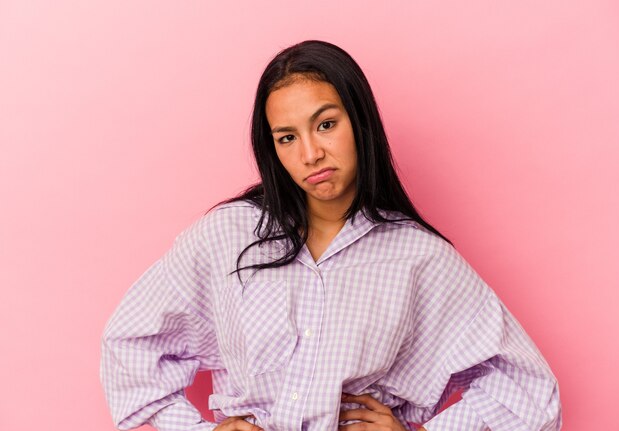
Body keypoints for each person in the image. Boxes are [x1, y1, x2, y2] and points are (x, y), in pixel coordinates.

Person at [100, 40, 562, 431]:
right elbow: (131, 344)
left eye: (325, 124)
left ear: (358, 122)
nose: (310, 153)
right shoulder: (228, 235)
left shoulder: (419, 257)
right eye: (286, 137)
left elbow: (529, 391)